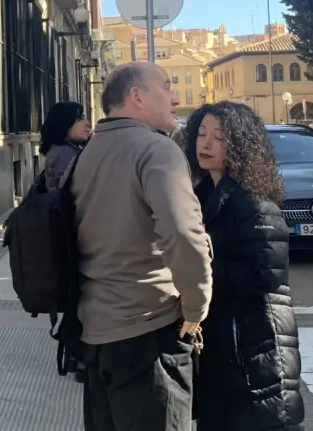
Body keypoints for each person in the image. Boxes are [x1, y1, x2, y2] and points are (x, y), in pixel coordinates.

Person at [69, 62, 213, 431]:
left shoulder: (89, 151)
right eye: (166, 87)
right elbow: (182, 234)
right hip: (149, 331)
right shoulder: (157, 150)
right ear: (137, 96)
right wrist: (196, 308)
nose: (175, 98)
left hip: (97, 331)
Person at [183, 102, 303, 431]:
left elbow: (266, 273)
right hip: (225, 346)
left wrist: (201, 268)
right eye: (202, 134)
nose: (206, 144)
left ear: (240, 145)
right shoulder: (201, 195)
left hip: (255, 345)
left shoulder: (253, 201)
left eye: (220, 137)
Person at [40, 101, 91, 190]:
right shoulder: (64, 153)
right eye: (80, 118)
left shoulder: (65, 149)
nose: (87, 123)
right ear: (66, 124)